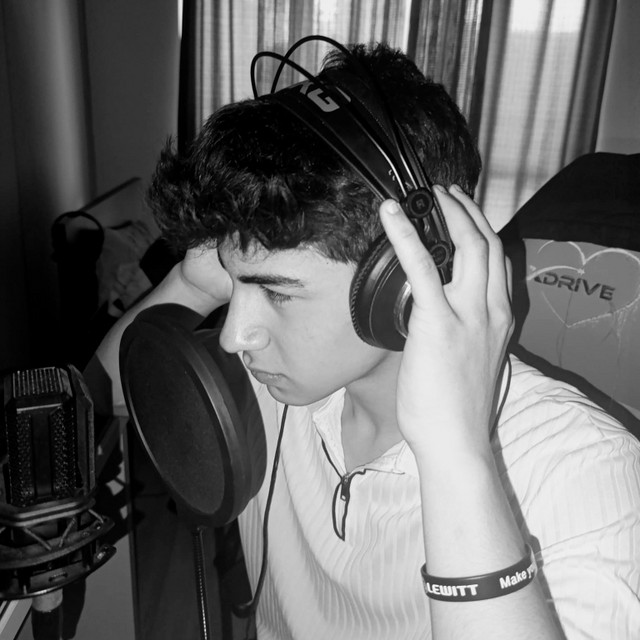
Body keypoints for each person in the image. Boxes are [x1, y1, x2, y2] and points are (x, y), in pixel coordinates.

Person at [94, 42, 640, 639]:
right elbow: (101, 402)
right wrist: (193, 282)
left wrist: (458, 455)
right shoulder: (272, 383)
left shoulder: (583, 470)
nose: (232, 337)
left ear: (398, 285)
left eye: (277, 293)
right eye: (235, 282)